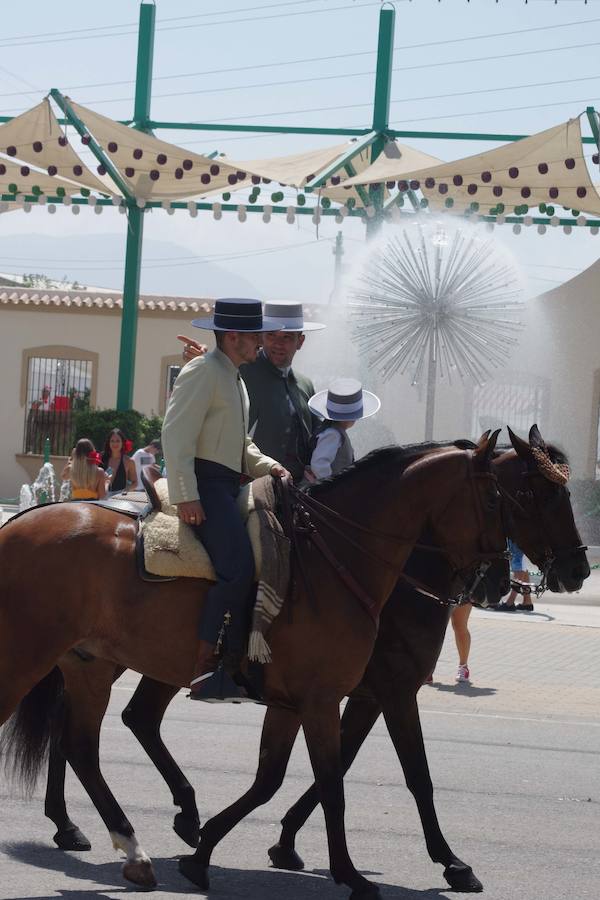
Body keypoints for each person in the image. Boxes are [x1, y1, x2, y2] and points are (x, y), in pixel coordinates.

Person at [162, 298, 290, 700]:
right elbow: (175, 434)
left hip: (227, 482)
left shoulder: (231, 375)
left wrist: (271, 466)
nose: (262, 343)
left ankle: (238, 661)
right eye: (256, 336)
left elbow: (242, 443)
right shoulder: (203, 371)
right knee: (237, 566)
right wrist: (186, 495)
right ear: (233, 337)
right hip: (206, 484)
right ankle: (205, 667)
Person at [177, 300, 326, 482]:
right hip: (246, 484)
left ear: (300, 341)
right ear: (261, 337)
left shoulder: (305, 385)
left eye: (287, 337)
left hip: (294, 488)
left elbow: (318, 437)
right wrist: (203, 357)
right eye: (271, 335)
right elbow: (220, 364)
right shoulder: (242, 367)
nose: (278, 344)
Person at [304, 378, 381, 481]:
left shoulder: (336, 432)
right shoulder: (333, 434)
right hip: (326, 492)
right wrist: (330, 485)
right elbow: (319, 463)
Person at [491, 540, 533, 611]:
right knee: (521, 564)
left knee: (518, 562)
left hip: (518, 534)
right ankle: (527, 601)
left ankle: (510, 602)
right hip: (517, 533)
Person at [101, 428, 137, 494]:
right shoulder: (101, 458)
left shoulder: (129, 461)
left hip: (119, 499)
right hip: (101, 497)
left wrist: (126, 490)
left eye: (118, 441)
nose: (115, 444)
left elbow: (135, 483)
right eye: (112, 441)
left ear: (123, 443)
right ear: (108, 443)